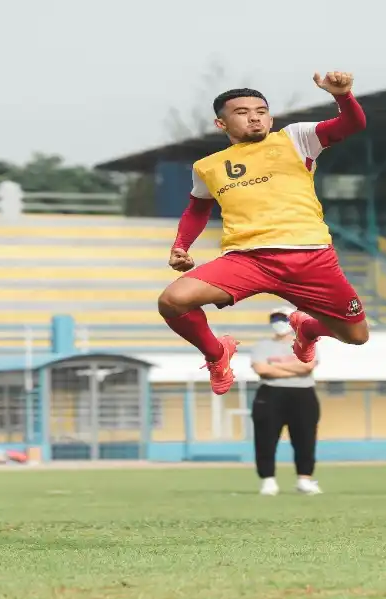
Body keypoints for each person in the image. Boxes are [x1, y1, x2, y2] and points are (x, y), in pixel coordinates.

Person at [157, 72, 369, 396]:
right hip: (247, 260)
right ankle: (217, 354)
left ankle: (307, 328)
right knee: (172, 301)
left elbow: (351, 124)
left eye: (261, 111)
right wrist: (180, 246)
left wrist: (344, 95)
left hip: (311, 258)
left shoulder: (296, 138)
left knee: (357, 336)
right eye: (242, 113)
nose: (254, 117)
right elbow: (197, 209)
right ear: (221, 124)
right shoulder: (208, 166)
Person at [250, 307, 322, 496]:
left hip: (303, 394)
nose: (279, 323)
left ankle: (304, 480)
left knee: (305, 438)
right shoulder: (262, 345)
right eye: (275, 319)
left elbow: (307, 366)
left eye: (283, 318)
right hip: (270, 393)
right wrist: (292, 368)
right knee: (265, 438)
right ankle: (268, 480)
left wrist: (275, 366)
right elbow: (261, 369)